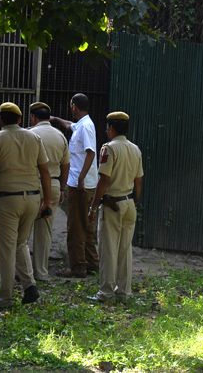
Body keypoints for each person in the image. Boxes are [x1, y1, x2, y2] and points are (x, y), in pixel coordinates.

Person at [0, 102, 52, 309]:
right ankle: (30, 286)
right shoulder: (34, 137)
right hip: (32, 198)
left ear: (1, 119)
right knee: (20, 243)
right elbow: (45, 171)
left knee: (6, 249)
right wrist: (47, 201)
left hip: (7, 200)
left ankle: (5, 299)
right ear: (20, 119)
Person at [89, 111, 143, 303]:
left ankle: (106, 292)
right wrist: (135, 201)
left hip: (113, 204)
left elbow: (104, 179)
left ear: (111, 128)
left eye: (107, 127)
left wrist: (94, 206)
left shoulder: (109, 149)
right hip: (129, 203)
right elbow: (138, 180)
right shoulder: (135, 149)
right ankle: (124, 292)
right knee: (125, 249)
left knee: (108, 249)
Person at [50, 93, 99, 278]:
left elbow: (90, 153)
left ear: (74, 107)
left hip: (81, 185)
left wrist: (80, 178)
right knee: (86, 225)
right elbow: (70, 125)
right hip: (86, 183)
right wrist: (55, 119)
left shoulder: (86, 127)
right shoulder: (84, 124)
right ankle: (92, 263)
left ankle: (78, 266)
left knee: (76, 226)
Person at [28, 101, 70, 281]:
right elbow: (66, 165)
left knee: (23, 230)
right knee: (44, 231)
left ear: (33, 117)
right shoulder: (60, 136)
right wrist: (62, 187)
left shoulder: (29, 134)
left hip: (32, 184)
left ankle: (22, 271)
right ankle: (41, 272)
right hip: (53, 184)